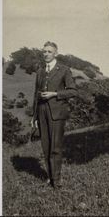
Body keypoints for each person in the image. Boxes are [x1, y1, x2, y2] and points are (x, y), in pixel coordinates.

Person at [31, 41, 77, 189]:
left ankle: (56, 181)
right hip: (42, 111)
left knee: (55, 147)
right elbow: (35, 95)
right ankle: (50, 177)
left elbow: (73, 91)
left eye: (49, 51)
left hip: (57, 112)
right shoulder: (40, 71)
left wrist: (55, 94)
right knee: (46, 146)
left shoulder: (64, 70)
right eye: (44, 51)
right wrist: (34, 117)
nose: (46, 54)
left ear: (55, 53)